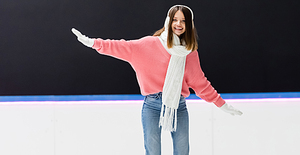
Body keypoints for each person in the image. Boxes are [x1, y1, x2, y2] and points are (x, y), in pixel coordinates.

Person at [71, 5, 242, 155]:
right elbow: (121, 46)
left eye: (183, 21)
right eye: (175, 19)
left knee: (183, 151)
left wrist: (222, 104)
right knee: (152, 151)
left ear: (189, 25)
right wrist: (93, 43)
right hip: (151, 106)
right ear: (168, 21)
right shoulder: (148, 44)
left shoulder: (189, 52)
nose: (179, 24)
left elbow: (200, 83)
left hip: (178, 106)